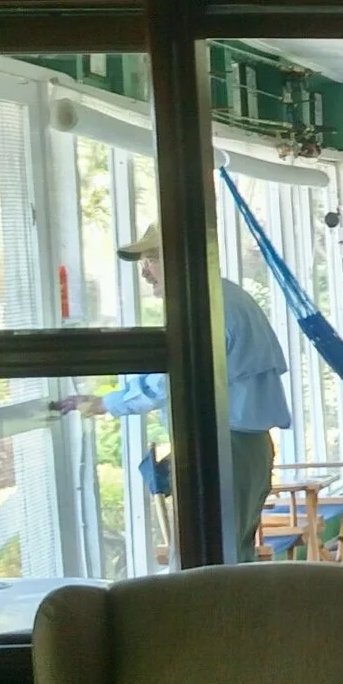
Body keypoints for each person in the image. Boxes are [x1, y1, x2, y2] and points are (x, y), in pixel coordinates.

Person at [54, 224, 292, 563]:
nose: (145, 272)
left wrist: (108, 402)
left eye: (152, 258)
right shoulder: (224, 295)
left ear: (183, 259)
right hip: (242, 444)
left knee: (208, 562)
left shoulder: (206, 306)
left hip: (226, 447)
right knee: (233, 557)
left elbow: (176, 376)